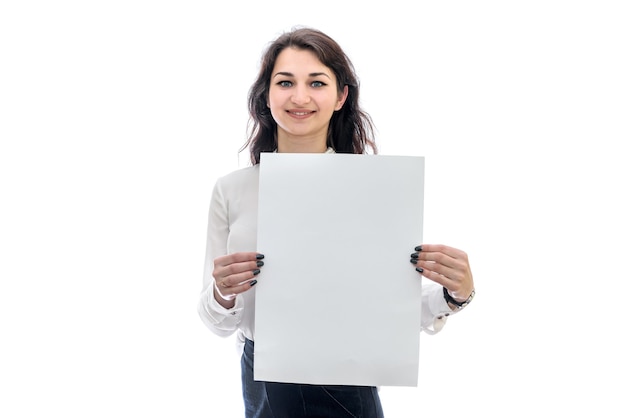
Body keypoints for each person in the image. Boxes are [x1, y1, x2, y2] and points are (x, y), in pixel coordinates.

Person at [198, 27, 475, 418]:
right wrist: (223, 292)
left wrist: (455, 295)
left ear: (341, 95)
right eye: (285, 82)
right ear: (267, 94)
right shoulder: (233, 190)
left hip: (347, 384)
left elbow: (390, 314)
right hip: (264, 382)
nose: (300, 97)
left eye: (316, 82)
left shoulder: (377, 187)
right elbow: (217, 321)